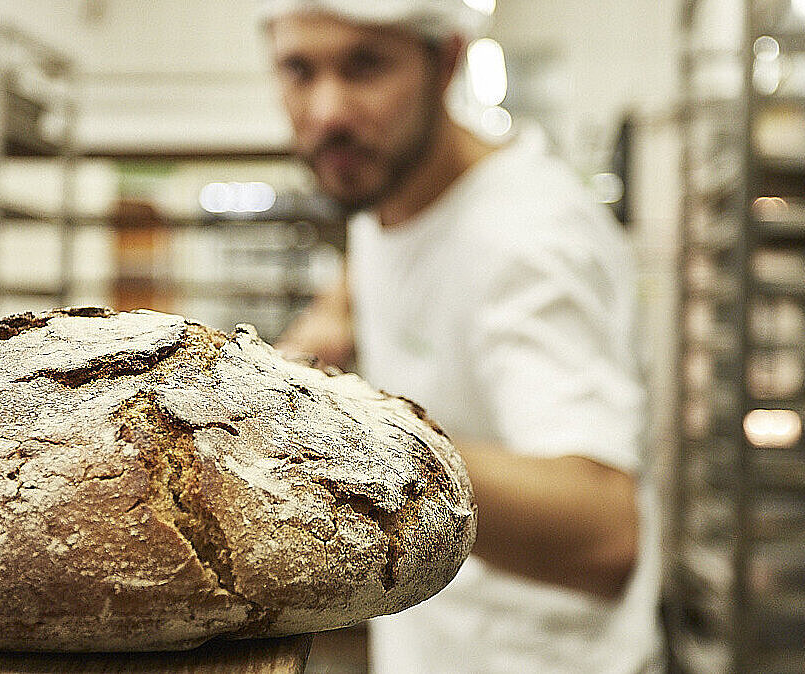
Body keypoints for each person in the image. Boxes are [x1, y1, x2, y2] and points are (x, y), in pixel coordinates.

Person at [258, 1, 663, 672]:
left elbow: (605, 535)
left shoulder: (528, 241)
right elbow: (384, 264)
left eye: (366, 65)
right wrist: (325, 327)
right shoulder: (390, 188)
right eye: (299, 69)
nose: (327, 109)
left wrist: (348, 438)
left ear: (446, 61)